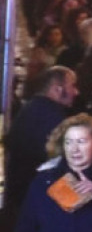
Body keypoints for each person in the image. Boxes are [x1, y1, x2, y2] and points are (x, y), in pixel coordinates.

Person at [3, 66, 78, 217]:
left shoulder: (32, 109)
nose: (76, 92)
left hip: (22, 197)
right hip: (38, 202)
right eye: (72, 86)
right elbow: (57, 163)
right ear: (57, 89)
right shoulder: (50, 118)